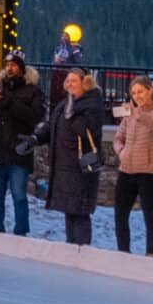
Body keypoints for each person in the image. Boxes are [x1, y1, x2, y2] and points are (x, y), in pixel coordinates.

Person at [41, 67, 109, 245]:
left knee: (80, 211)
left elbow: (87, 131)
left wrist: (73, 116)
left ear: (85, 83)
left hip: (82, 166)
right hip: (65, 165)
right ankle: (72, 250)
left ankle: (82, 251)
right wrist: (35, 138)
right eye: (68, 81)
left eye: (74, 81)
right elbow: (53, 127)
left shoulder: (93, 103)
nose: (70, 84)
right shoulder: (66, 103)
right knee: (69, 211)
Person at [0, 54, 46, 235]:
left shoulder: (32, 91)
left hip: (19, 151)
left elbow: (35, 117)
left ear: (22, 68)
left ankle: (21, 232)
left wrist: (11, 104)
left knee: (19, 195)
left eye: (14, 65)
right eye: (7, 65)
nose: (10, 68)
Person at [111, 76, 153, 257]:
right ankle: (123, 253)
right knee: (120, 214)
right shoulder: (128, 113)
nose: (136, 96)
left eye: (140, 92)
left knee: (150, 217)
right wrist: (121, 152)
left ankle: (151, 255)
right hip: (127, 170)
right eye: (133, 93)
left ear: (150, 90)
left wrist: (140, 115)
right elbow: (118, 138)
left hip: (150, 173)